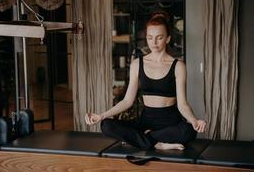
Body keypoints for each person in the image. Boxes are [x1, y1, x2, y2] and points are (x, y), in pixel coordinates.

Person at [85, 11, 206, 150]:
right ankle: (156, 142)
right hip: (145, 122)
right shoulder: (137, 64)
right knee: (106, 125)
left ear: (167, 38)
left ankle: (145, 139)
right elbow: (127, 101)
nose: (153, 43)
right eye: (150, 37)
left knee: (189, 130)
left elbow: (183, 104)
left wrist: (194, 121)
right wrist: (101, 115)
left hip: (170, 124)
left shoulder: (178, 66)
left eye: (159, 38)